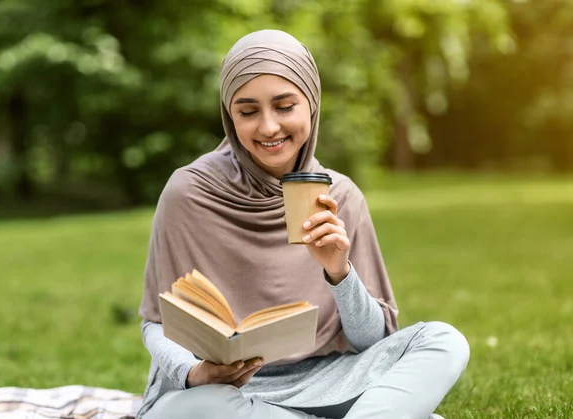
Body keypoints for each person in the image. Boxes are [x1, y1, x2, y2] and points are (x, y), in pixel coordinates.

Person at [137, 30, 469, 419]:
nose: (268, 127)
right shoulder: (188, 192)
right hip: (226, 393)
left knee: (444, 340)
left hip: (327, 380)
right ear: (230, 117)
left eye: (284, 106)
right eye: (248, 112)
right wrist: (195, 373)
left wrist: (339, 271)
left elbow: (373, 342)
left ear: (310, 105)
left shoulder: (340, 196)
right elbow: (156, 324)